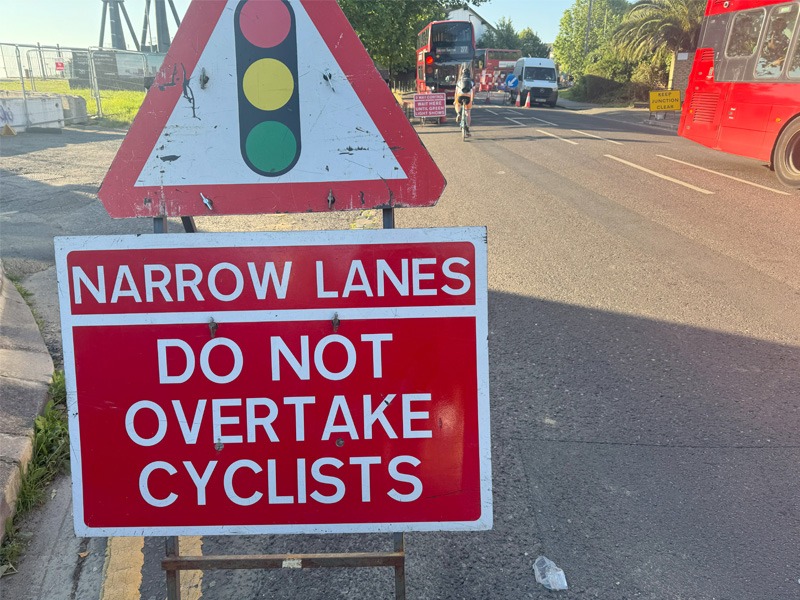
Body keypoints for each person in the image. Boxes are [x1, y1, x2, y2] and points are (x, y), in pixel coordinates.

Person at [453, 63, 474, 135]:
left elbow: (456, 92)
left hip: (460, 96)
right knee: (468, 113)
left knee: (457, 104)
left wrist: (454, 101)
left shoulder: (459, 81)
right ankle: (467, 127)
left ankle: (458, 113)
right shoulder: (471, 82)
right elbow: (472, 92)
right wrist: (471, 100)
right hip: (468, 97)